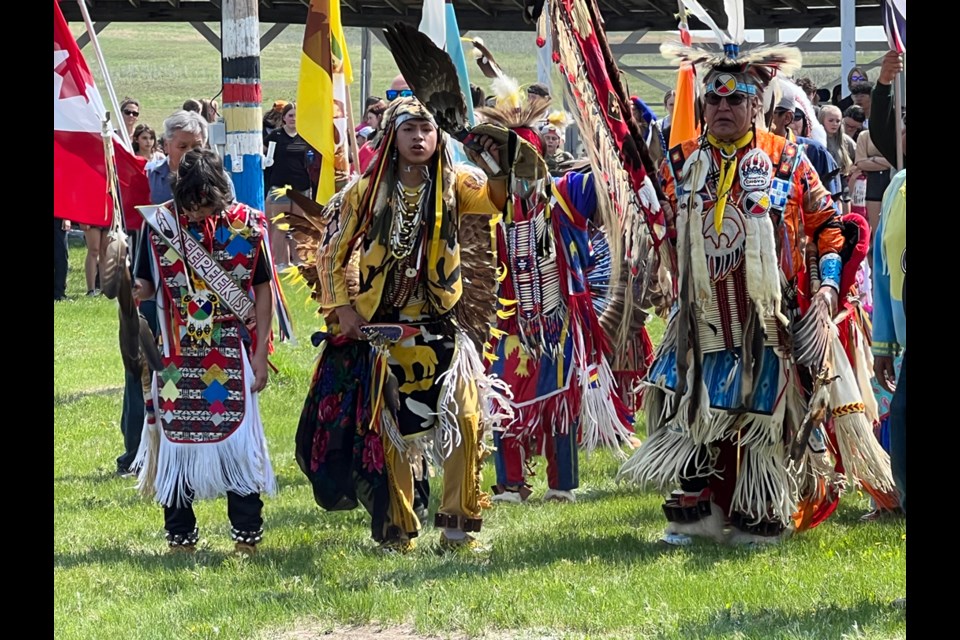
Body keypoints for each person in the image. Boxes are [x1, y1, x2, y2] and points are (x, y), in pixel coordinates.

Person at [618, 36, 890, 546]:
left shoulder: (788, 160)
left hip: (769, 317)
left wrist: (828, 290)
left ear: (755, 104)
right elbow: (661, 229)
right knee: (695, 410)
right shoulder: (682, 163)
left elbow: (829, 226)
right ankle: (697, 517)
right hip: (701, 318)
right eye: (714, 99)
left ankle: (758, 515)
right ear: (702, 105)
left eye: (735, 98)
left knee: (761, 417)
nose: (723, 107)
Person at [293, 97, 512, 552]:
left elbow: (495, 201)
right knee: (390, 431)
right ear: (392, 138)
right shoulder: (364, 192)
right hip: (383, 329)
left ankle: (457, 525)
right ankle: (398, 528)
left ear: (439, 138)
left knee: (466, 419)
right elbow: (331, 251)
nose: (419, 138)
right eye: (410, 130)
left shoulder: (457, 184)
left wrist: (497, 159)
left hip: (443, 325)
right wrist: (343, 310)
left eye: (427, 130)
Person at [476, 89, 634, 505]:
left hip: (562, 318)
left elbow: (611, 184)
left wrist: (608, 130)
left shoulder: (567, 192)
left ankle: (561, 485)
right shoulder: (494, 205)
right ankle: (510, 483)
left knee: (561, 403)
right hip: (509, 321)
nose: (519, 170)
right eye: (509, 161)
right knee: (503, 398)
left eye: (525, 157)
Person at [133, 148, 276, 554]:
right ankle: (180, 538)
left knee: (237, 447)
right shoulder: (159, 224)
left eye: (205, 205)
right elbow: (144, 283)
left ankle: (246, 537)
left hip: (229, 352)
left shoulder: (246, 226)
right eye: (190, 205)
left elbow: (262, 290)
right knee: (175, 444)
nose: (196, 213)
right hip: (175, 354)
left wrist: (260, 353)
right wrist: (127, 287)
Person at [263, 102, 313, 269]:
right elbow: (263, 153)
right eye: (290, 115)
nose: (293, 118)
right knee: (281, 225)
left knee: (299, 225)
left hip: (301, 185)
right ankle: (281, 262)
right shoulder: (275, 136)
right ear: (284, 117)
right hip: (280, 185)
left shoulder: (306, 136)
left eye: (296, 115)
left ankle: (299, 260)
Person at [819, 105, 856, 213]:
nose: (835, 124)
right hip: (824, 181)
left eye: (838, 121)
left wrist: (853, 169)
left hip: (841, 180)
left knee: (845, 217)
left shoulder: (844, 139)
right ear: (822, 120)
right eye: (831, 120)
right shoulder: (817, 139)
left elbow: (859, 153)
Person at [540, 111, 574, 176]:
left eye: (554, 138)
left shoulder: (565, 157)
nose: (550, 141)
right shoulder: (537, 156)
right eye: (547, 138)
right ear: (542, 139)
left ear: (558, 141)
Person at [54, 217, 71, 301]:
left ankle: (59, 293)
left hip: (58, 218)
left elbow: (64, 203)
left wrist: (66, 217)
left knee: (61, 255)